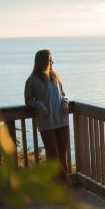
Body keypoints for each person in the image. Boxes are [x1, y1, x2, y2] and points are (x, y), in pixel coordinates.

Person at [24, 49, 70, 184]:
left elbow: (63, 95)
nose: (52, 62)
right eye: (50, 60)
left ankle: (63, 187)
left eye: (52, 60)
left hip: (62, 120)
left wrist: (65, 103)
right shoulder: (31, 80)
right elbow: (28, 100)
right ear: (42, 61)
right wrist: (39, 105)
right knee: (53, 157)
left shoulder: (55, 77)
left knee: (62, 156)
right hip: (47, 123)